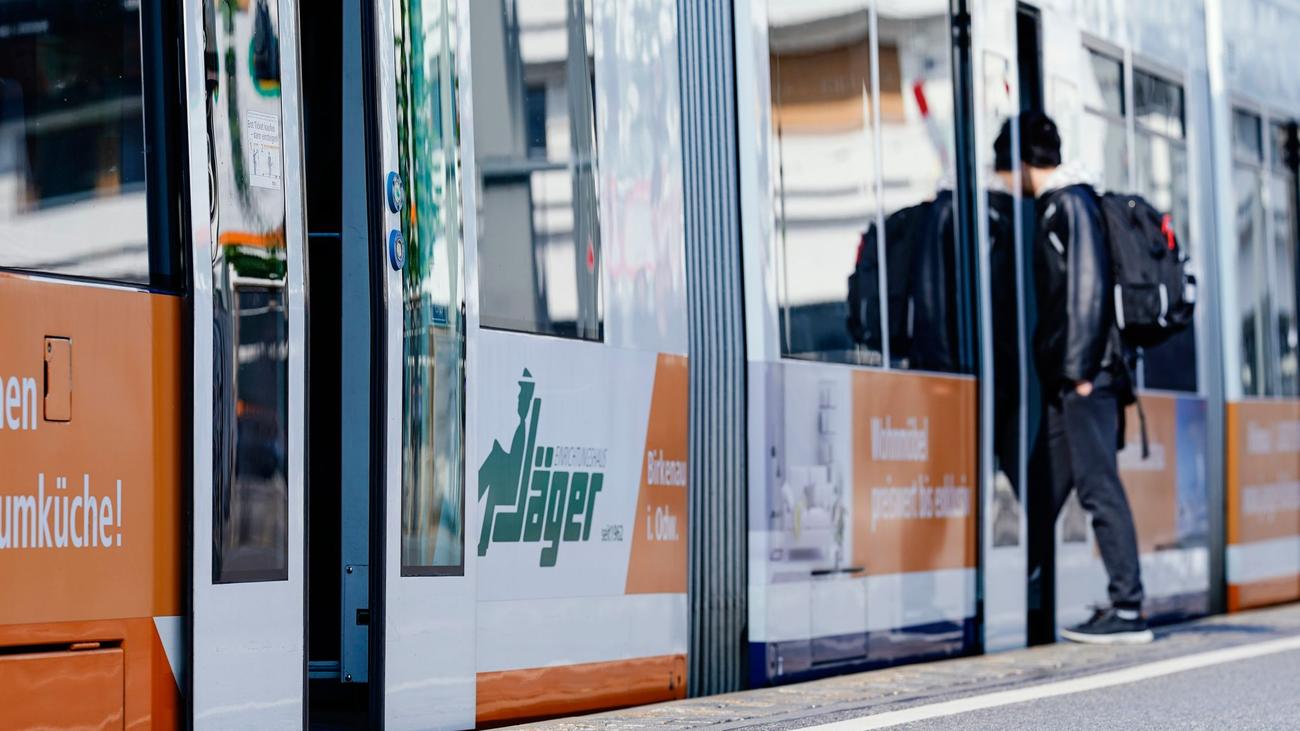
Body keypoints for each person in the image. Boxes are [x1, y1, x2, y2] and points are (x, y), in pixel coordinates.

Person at [1012, 111, 1151, 645]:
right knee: (1041, 485)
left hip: (1086, 376)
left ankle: (1129, 607)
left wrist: (1080, 370)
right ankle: (1021, 587)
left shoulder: (1069, 203)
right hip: (1073, 376)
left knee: (1098, 487)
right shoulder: (1065, 204)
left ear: (1021, 162)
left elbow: (1087, 291)